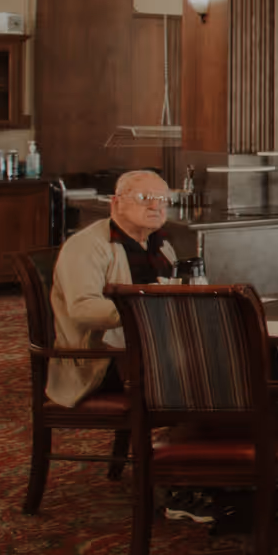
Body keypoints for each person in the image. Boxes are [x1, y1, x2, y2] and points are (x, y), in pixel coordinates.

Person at [47, 169, 179, 409]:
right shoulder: (86, 246)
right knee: (202, 365)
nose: (155, 206)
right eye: (144, 198)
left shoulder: (161, 244)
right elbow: (82, 309)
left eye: (162, 199)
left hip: (151, 347)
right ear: (116, 202)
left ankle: (208, 425)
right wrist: (144, 311)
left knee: (228, 352)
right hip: (102, 361)